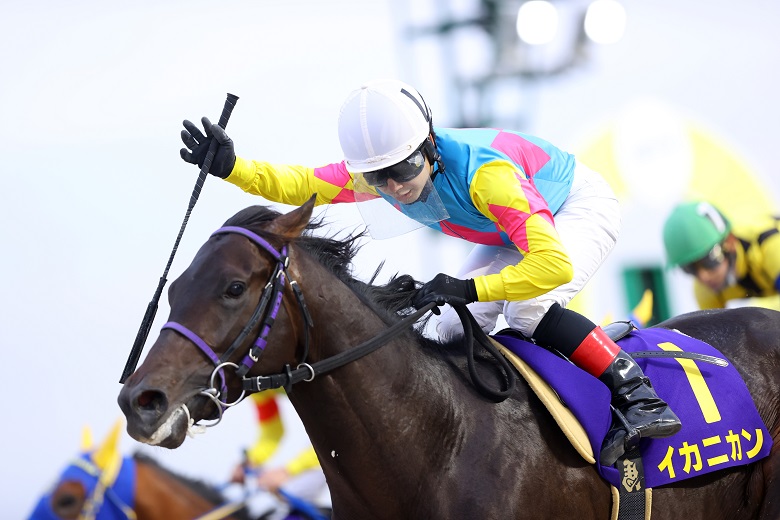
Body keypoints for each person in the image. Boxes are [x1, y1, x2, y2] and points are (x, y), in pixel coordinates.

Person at [179, 79, 680, 465]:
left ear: (430, 146)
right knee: (447, 327)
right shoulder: (384, 170)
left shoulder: (488, 175)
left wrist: (469, 286)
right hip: (509, 232)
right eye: (379, 177)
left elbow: (552, 265)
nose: (395, 187)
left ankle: (639, 396)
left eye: (403, 170)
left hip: (575, 206)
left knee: (528, 309)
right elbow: (302, 184)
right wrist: (233, 167)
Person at [662, 200, 780, 309]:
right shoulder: (705, 290)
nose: (703, 276)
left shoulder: (770, 247)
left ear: (730, 241)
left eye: (709, 260)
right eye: (689, 268)